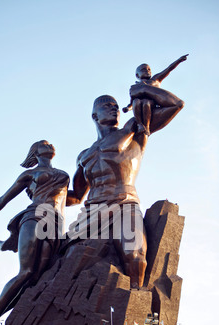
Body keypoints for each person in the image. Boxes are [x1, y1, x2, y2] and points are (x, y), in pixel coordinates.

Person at [66, 90, 184, 289]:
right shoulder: (84, 155)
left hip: (124, 203)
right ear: (95, 116)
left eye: (115, 106)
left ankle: (135, 303)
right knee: (68, 260)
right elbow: (76, 196)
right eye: (106, 105)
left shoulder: (135, 130)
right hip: (92, 212)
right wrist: (45, 195)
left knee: (135, 254)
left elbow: (176, 105)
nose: (114, 108)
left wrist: (145, 89)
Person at [0, 140, 70, 325]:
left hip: (56, 223)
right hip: (35, 216)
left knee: (37, 278)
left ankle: (16, 318)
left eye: (50, 143)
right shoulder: (29, 174)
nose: (49, 144)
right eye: (43, 143)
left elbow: (73, 199)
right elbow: (3, 199)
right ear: (35, 153)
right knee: (26, 272)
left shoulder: (64, 175)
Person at [123, 55, 188, 136]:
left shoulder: (155, 80)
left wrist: (178, 61)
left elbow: (168, 69)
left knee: (146, 102)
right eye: (143, 69)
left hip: (151, 105)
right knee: (136, 101)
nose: (147, 71)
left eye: (149, 70)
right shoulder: (134, 87)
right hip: (139, 108)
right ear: (137, 75)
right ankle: (140, 124)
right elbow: (132, 102)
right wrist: (127, 108)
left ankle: (146, 126)